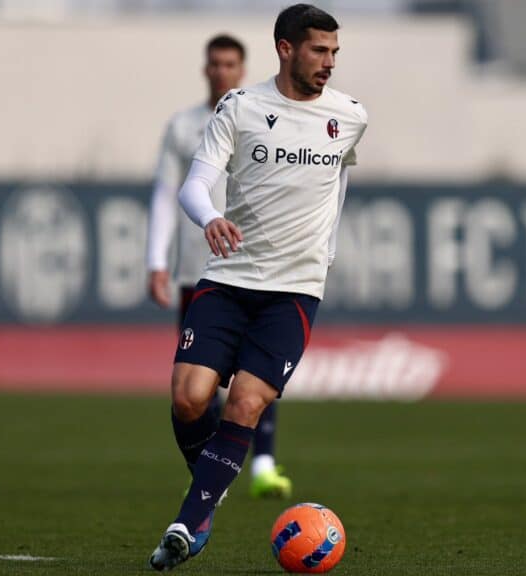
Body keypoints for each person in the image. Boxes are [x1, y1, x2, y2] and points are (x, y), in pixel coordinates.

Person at [149, 4, 367, 571]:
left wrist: (328, 253)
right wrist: (210, 219)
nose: (329, 63)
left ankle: (189, 521)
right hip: (229, 277)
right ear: (286, 48)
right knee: (188, 397)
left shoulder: (350, 116)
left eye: (335, 52)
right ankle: (212, 487)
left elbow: (338, 183)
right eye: (319, 50)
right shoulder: (241, 108)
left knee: (246, 401)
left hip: (294, 289)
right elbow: (194, 185)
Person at [146, 34, 294, 500]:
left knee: (254, 375)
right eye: (214, 63)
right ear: (205, 69)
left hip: (253, 266)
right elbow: (167, 195)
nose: (221, 71)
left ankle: (264, 465)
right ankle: (215, 467)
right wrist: (156, 260)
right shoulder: (182, 127)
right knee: (197, 387)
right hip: (199, 271)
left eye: (230, 63)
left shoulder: (259, 118)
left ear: (242, 68)